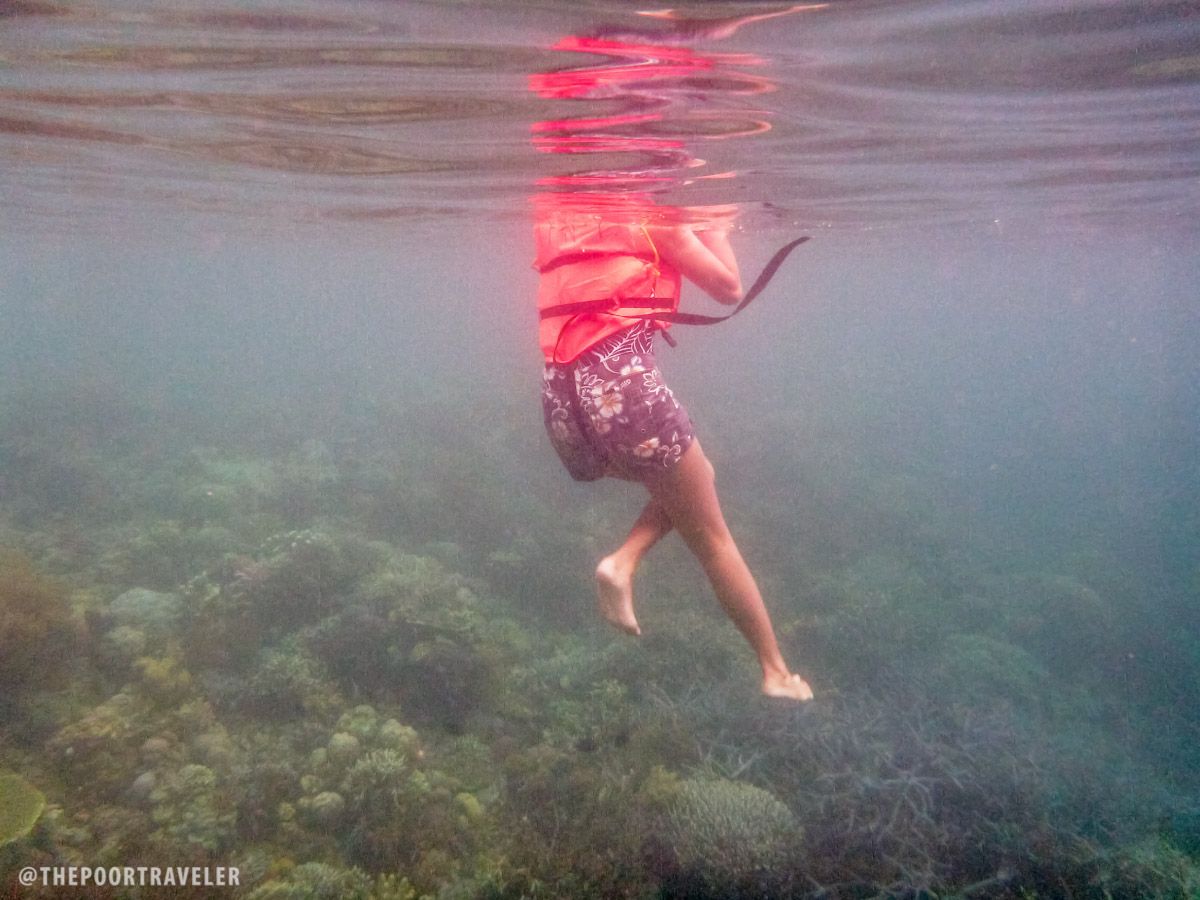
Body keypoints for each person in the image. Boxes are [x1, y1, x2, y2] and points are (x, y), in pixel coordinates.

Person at [535, 196, 813, 702]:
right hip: (621, 393)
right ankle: (775, 670)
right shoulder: (654, 215)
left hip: (561, 402)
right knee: (712, 538)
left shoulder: (561, 218)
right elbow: (728, 289)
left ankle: (623, 562)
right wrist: (715, 226)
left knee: (690, 477)